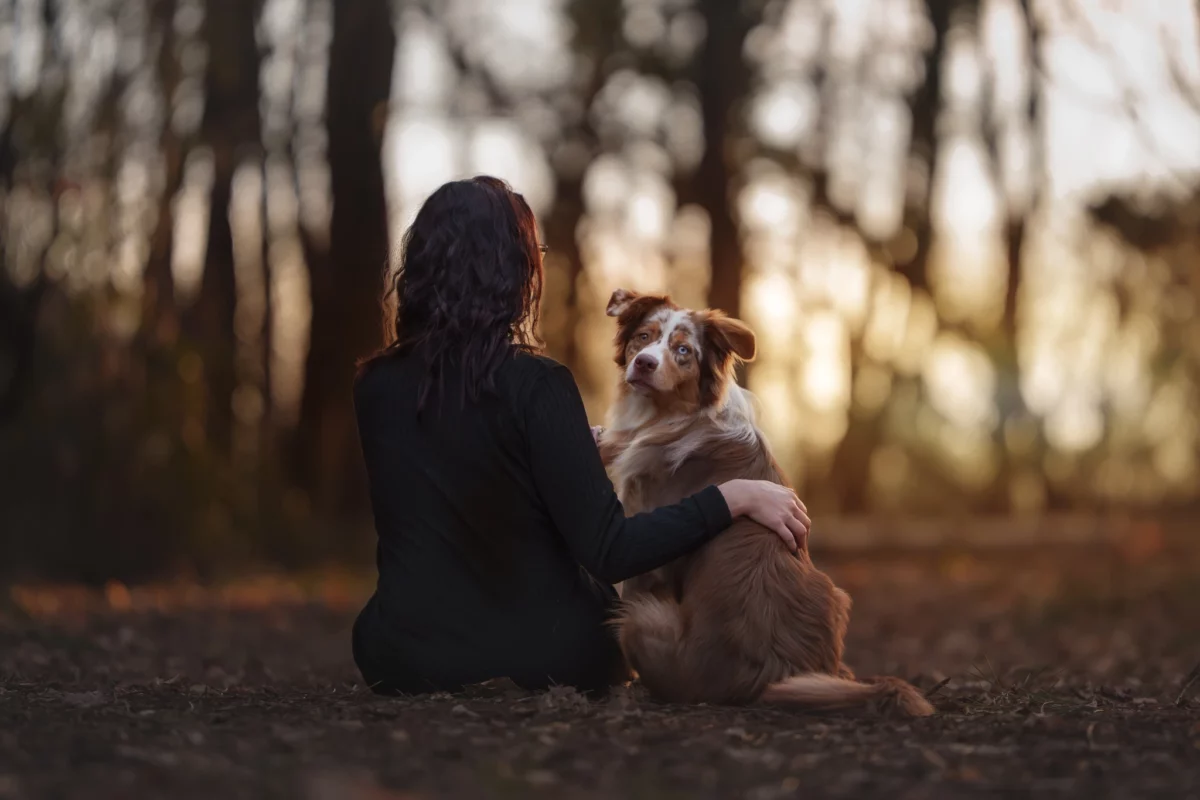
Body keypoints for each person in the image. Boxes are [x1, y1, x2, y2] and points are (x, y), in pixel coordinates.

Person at [351, 176, 812, 695]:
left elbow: (454, 489)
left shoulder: (374, 387)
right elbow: (611, 550)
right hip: (541, 654)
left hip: (396, 653)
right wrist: (732, 497)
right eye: (534, 254)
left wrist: (557, 461)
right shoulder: (538, 384)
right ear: (512, 271)